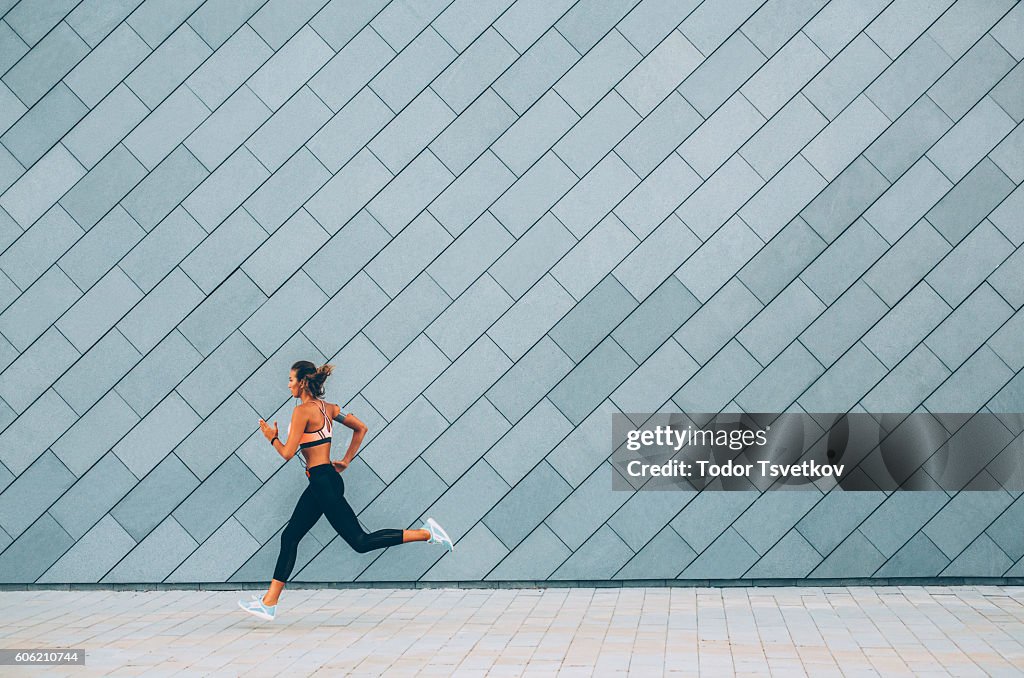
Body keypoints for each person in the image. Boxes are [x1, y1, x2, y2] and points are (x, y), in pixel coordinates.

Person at [238, 360, 454, 621]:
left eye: (291, 379)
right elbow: (360, 428)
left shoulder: (302, 412)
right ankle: (269, 602)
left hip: (322, 483)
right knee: (290, 536)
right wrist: (346, 460)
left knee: (360, 542)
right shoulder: (330, 409)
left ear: (303, 382)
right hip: (324, 480)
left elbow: (286, 453)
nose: (288, 384)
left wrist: (271, 437)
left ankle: (427, 533)